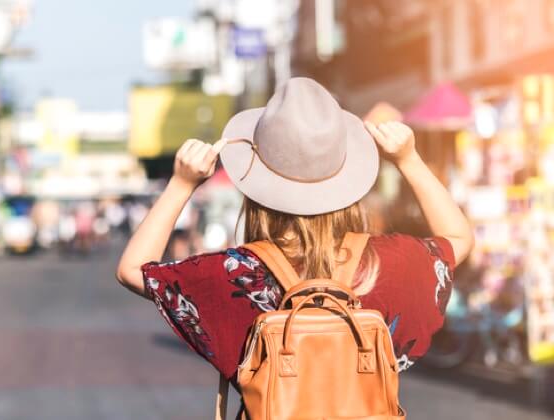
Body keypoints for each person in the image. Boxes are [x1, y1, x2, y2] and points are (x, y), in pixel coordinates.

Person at [116, 78, 474, 409]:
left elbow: (134, 269)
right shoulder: (384, 264)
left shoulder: (238, 275)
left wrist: (181, 184)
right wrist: (408, 160)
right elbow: (458, 239)